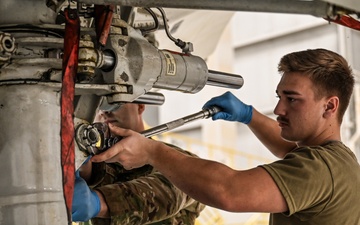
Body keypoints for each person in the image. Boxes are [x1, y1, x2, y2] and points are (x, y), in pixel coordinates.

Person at [91, 48, 360, 225]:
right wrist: (248, 115)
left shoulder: (319, 169)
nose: (279, 109)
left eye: (292, 99)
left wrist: (152, 152)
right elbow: (287, 149)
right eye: (279, 97)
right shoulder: (334, 159)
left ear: (330, 106)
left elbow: (228, 191)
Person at [72, 103, 205, 224]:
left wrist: (99, 203)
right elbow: (103, 173)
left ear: (140, 106)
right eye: (98, 103)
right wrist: (85, 168)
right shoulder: (98, 162)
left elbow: (169, 192)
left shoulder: (176, 160)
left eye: (114, 103)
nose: (104, 111)